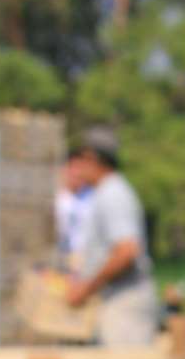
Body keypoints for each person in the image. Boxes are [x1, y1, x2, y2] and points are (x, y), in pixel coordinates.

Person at [64, 130, 159, 346]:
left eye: (79, 159)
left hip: (125, 302)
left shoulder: (113, 194)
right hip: (117, 300)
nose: (76, 168)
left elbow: (126, 251)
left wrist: (86, 288)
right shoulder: (107, 192)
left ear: (92, 159)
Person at [54, 147, 94, 270]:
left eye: (82, 169)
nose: (78, 174)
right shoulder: (56, 197)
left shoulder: (92, 197)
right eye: (75, 168)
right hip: (60, 257)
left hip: (85, 258)